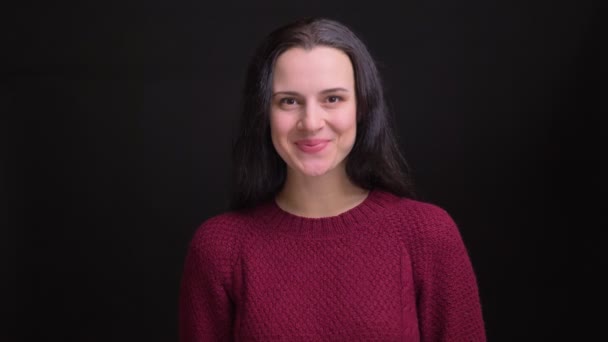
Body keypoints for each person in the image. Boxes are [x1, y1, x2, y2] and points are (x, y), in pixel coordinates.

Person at [179, 17, 485, 341]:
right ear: (263, 113)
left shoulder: (427, 235)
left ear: (363, 107)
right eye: (289, 101)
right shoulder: (219, 248)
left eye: (333, 98)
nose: (311, 122)